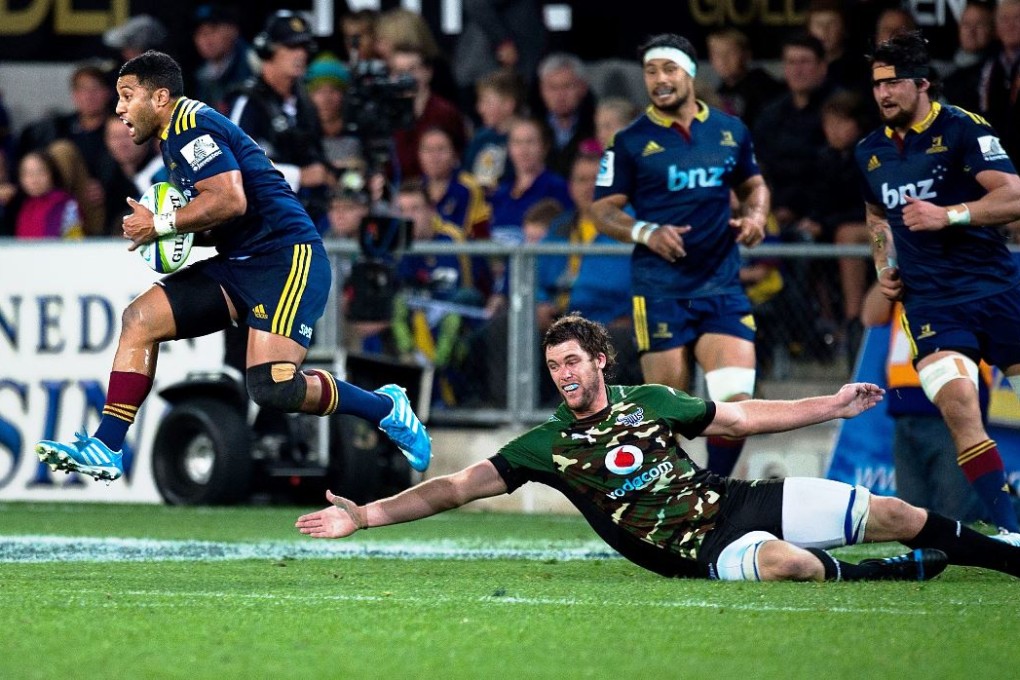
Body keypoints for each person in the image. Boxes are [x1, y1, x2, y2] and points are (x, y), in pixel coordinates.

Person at [297, 313, 1020, 583]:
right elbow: (454, 488)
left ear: (601, 360)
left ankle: (1008, 559)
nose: (565, 374)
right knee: (790, 565)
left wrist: (828, 405)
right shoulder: (547, 445)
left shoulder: (650, 401)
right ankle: (889, 576)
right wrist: (364, 516)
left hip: (735, 503)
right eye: (555, 367)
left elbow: (736, 420)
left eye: (574, 362)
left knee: (891, 508)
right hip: (697, 555)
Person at [34, 50, 431, 483]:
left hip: (286, 258)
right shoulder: (177, 135)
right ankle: (107, 445)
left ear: (160, 97)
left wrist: (162, 222)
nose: (119, 108)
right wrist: (173, 235)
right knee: (140, 318)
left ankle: (386, 408)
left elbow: (230, 199)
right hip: (241, 261)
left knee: (275, 387)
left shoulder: (190, 130)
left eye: (128, 96)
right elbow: (225, 214)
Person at [855, 31, 1020, 542]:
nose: (883, 94)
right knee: (960, 410)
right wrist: (884, 265)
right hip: (932, 304)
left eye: (894, 83)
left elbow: (1014, 196)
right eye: (877, 84)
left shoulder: (964, 128)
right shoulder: (870, 151)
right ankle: (1012, 532)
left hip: (995, 291)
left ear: (923, 83)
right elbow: (877, 217)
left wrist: (949, 214)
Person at [591, 33, 769, 478]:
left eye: (668, 69)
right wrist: (646, 231)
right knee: (667, 412)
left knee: (736, 403)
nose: (659, 80)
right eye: (651, 72)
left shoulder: (730, 130)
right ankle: (669, 498)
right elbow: (602, 211)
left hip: (721, 284)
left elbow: (754, 186)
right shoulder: (629, 142)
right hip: (661, 290)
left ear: (690, 73)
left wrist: (756, 217)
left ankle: (717, 491)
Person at [860, 283, 987, 522]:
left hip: (952, 404)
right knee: (912, 517)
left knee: (956, 512)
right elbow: (871, 315)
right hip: (905, 409)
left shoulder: (964, 269)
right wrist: (890, 270)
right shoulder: (906, 273)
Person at [228, 10, 333, 224]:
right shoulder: (248, 102)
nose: (300, 55)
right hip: (261, 219)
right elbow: (234, 166)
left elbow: (315, 154)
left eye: (304, 47)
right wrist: (299, 176)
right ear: (267, 50)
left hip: (306, 216)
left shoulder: (305, 103)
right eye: (291, 47)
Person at [705, 28, 784, 131]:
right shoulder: (718, 93)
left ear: (746, 55)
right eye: (716, 54)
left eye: (730, 52)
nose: (723, 59)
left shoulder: (764, 87)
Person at [191, 3, 259, 115]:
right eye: (200, 32)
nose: (205, 39)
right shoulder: (203, 75)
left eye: (212, 30)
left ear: (233, 30)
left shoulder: (254, 64)